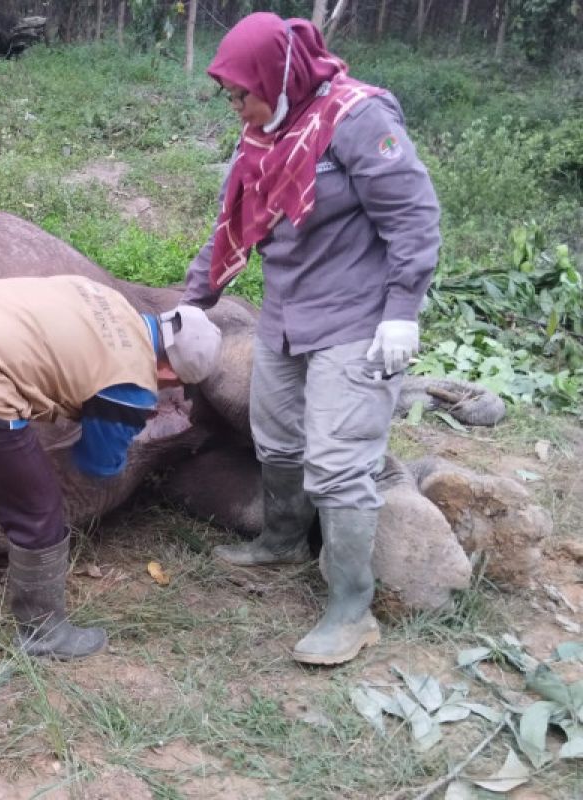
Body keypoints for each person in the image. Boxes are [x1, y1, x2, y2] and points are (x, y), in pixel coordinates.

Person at [181, 13, 441, 665]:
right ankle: (280, 541)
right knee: (277, 438)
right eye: (230, 95)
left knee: (338, 458)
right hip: (288, 318)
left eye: (243, 92)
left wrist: (403, 310)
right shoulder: (260, 141)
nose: (237, 106)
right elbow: (229, 232)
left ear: (279, 74)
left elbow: (413, 215)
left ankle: (352, 608)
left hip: (356, 321)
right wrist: (189, 306)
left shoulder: (358, 119)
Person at [0, 275, 222, 660]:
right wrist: (122, 429)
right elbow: (97, 465)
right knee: (39, 509)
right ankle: (44, 634)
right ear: (172, 375)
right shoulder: (132, 381)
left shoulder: (106, 298)